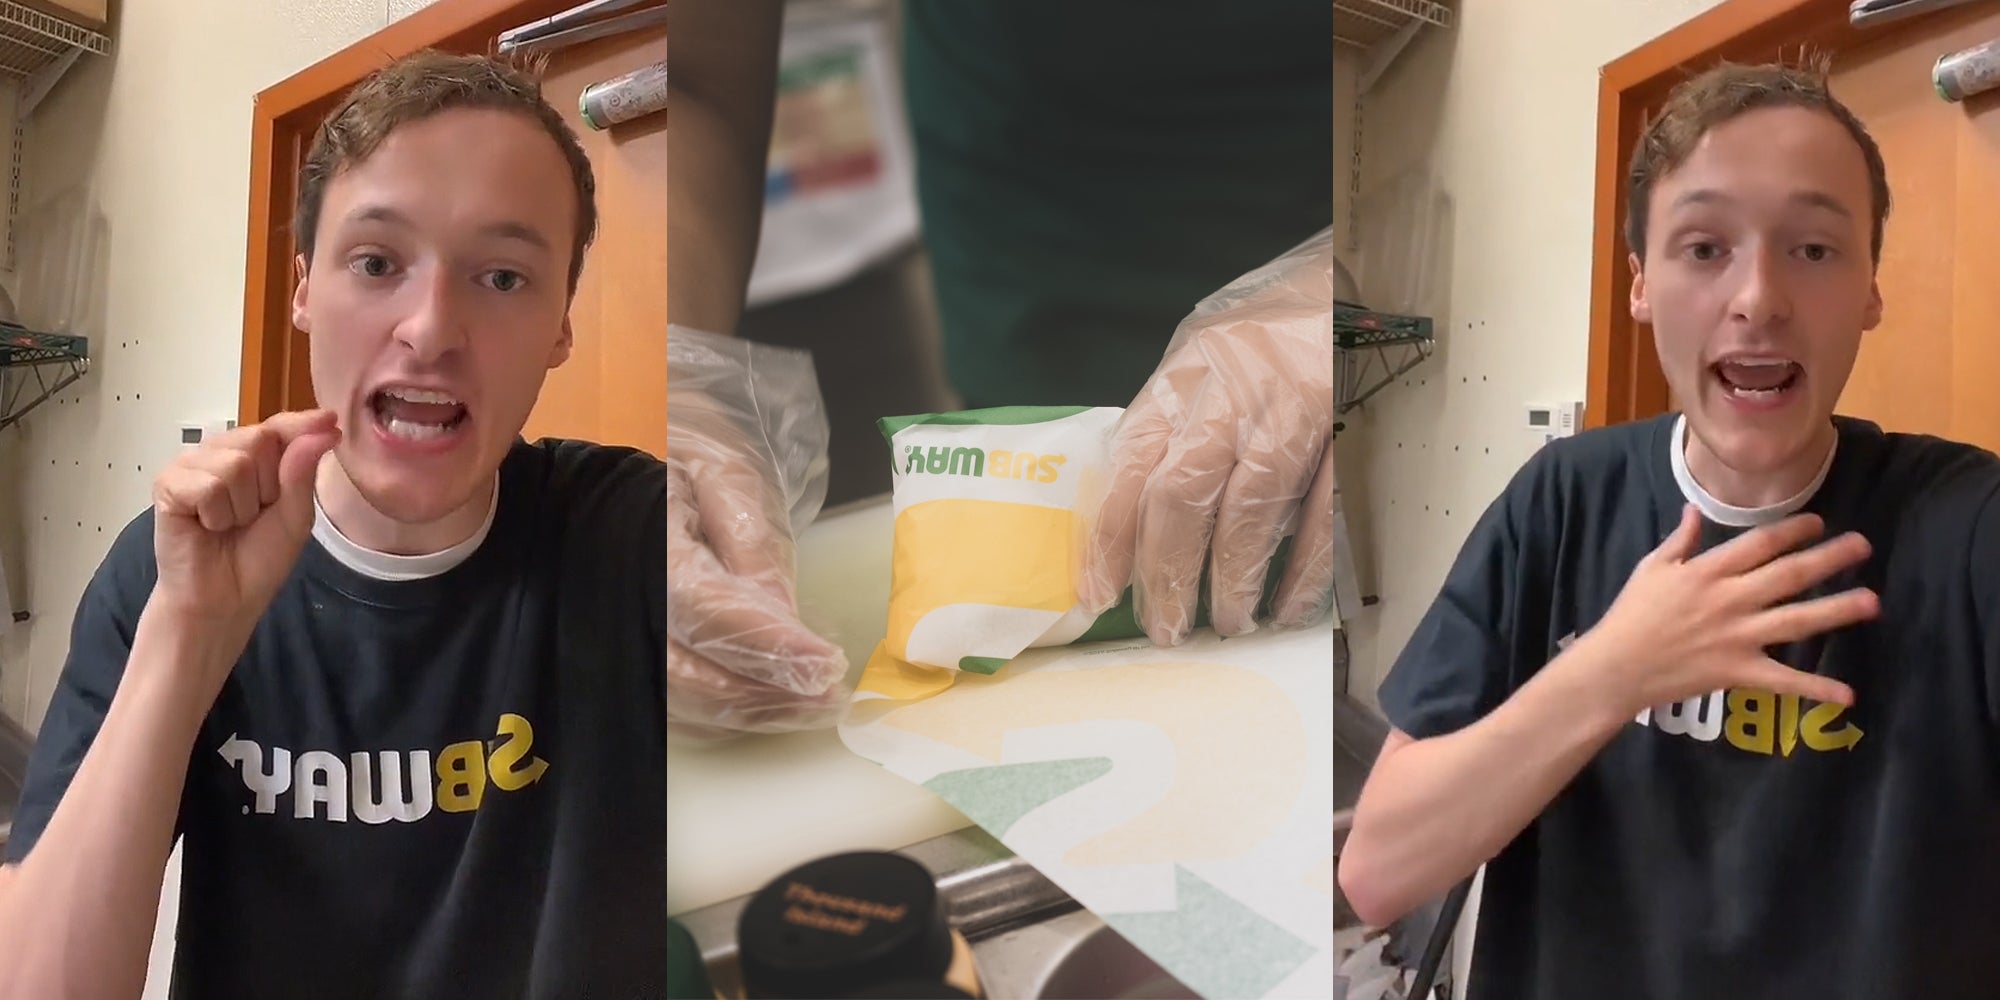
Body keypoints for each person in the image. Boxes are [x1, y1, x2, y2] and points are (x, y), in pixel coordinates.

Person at [0, 51, 666, 998]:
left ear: (564, 321)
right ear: (305, 289)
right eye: (378, 262)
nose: (431, 328)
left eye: (504, 277)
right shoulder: (164, 573)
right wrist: (192, 635)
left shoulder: (626, 535)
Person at [1338, 61, 2000, 999]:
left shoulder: (1967, 522)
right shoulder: (1561, 503)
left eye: (1814, 249)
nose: (1759, 298)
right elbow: (1380, 872)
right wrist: (1619, 668)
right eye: (1704, 248)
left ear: (1870, 291)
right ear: (1641, 286)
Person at [665, 0, 1338, 740]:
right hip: (1043, 212)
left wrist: (1343, 287)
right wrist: (672, 380)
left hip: (1407, 165)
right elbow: (686, 76)